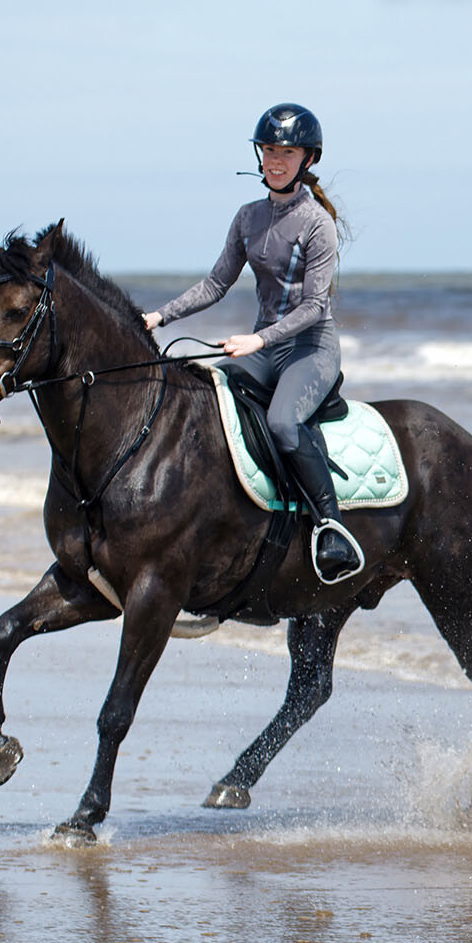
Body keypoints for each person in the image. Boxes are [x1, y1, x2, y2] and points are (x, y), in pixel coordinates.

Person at [144, 103, 364, 583]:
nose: (275, 160)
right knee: (202, 396)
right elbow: (215, 284)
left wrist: (256, 339)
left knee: (284, 423)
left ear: (308, 159)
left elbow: (313, 308)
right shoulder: (247, 218)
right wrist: (158, 316)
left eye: (287, 152)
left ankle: (332, 528)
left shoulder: (316, 224)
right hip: (263, 349)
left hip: (310, 349)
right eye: (268, 150)